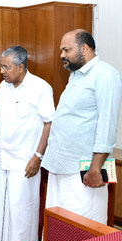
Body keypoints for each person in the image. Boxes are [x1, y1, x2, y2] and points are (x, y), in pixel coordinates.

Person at [42, 29, 122, 224]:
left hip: (84, 170)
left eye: (66, 50)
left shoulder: (106, 75)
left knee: (81, 228)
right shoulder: (76, 75)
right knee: (58, 225)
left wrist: (96, 167)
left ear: (84, 48)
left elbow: (107, 124)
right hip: (60, 166)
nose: (61, 55)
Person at [0, 46, 55, 241]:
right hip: (0, 160)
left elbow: (49, 123)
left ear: (21, 67)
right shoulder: (3, 86)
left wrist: (38, 156)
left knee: (20, 213)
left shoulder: (41, 87)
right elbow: (1, 114)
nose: (2, 71)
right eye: (0, 66)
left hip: (24, 163)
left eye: (6, 67)